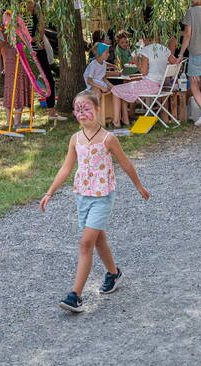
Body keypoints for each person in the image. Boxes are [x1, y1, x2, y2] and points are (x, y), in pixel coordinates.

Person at [39, 90, 150, 313]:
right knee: (98, 239)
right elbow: (66, 167)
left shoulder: (108, 139)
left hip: (102, 197)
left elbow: (126, 163)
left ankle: (75, 296)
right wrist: (50, 192)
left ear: (98, 110)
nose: (82, 113)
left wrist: (139, 186)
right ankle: (113, 273)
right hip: (82, 196)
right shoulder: (75, 139)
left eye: (86, 108)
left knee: (86, 243)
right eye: (78, 109)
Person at [26, 0, 65, 120]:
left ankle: (51, 112)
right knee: (44, 80)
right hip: (33, 51)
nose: (30, 3)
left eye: (31, 1)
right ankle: (48, 112)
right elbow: (39, 35)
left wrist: (28, 41)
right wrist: (30, 41)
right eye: (29, 1)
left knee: (48, 80)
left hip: (33, 50)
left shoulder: (36, 15)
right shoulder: (23, 17)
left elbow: (40, 35)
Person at [84, 42, 124, 126]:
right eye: (107, 52)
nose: (109, 54)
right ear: (100, 54)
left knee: (116, 91)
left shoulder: (103, 63)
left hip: (100, 83)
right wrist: (101, 87)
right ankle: (96, 120)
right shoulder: (93, 65)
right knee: (97, 93)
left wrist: (111, 86)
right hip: (93, 85)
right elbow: (89, 80)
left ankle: (116, 121)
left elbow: (103, 77)